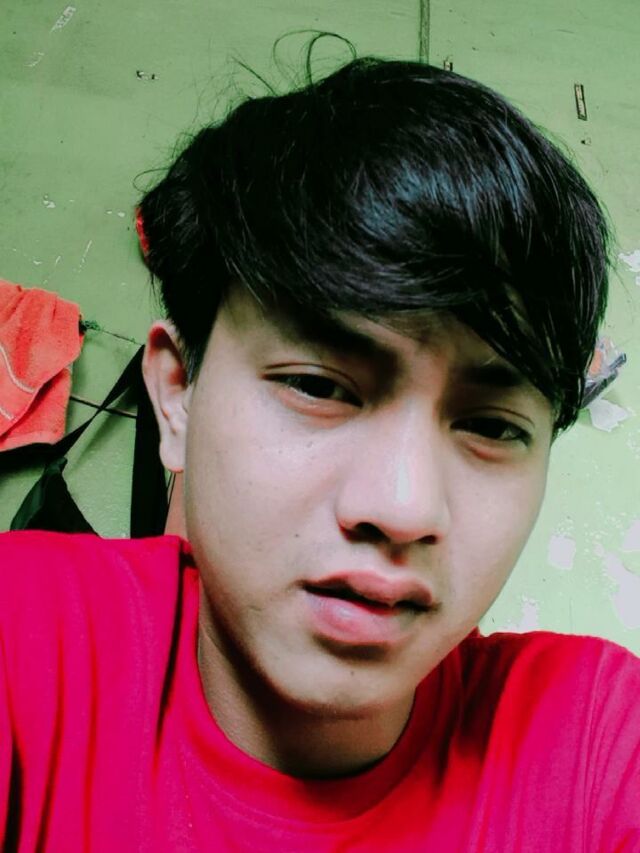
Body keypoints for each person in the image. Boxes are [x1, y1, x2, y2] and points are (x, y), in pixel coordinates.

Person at [1, 47, 638, 851]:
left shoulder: (594, 745)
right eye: (318, 385)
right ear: (178, 394)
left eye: (491, 425)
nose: (402, 507)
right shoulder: (25, 638)